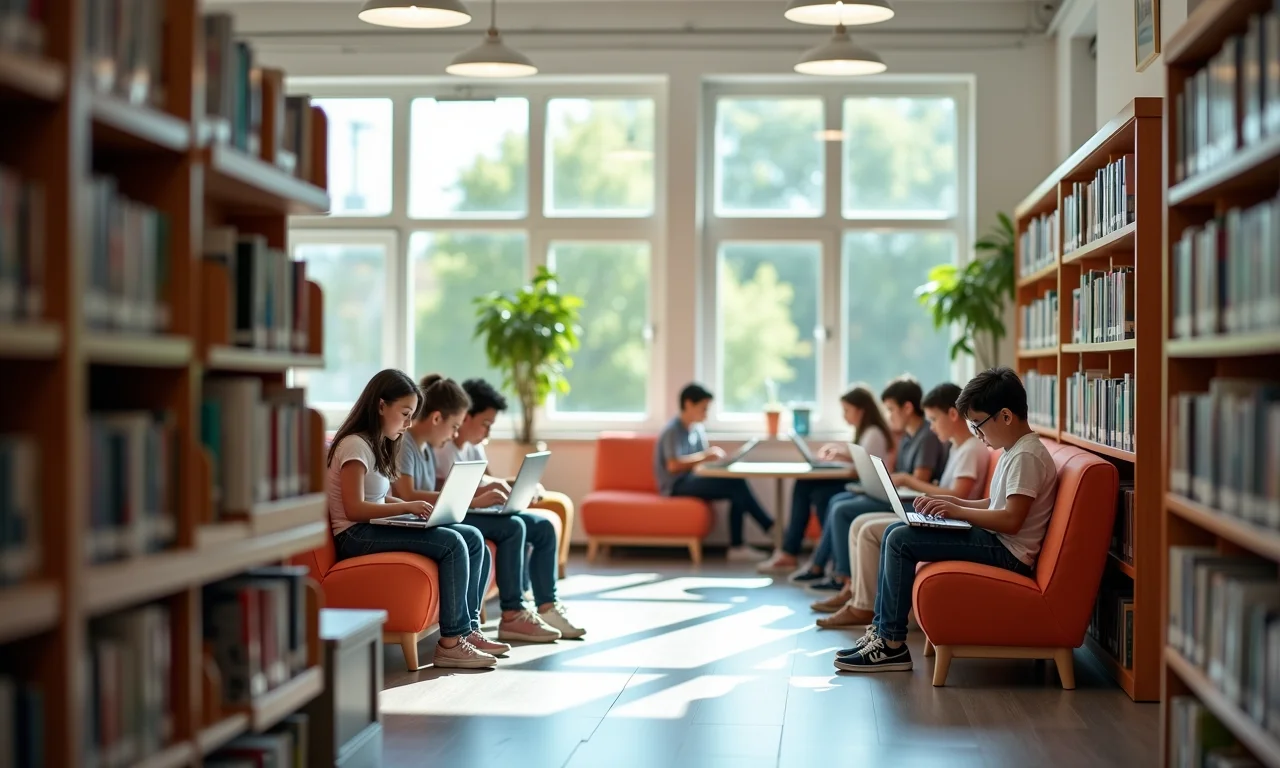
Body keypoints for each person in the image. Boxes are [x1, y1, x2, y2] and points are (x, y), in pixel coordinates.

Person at [834, 367, 1058, 673]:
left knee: (900, 540)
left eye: (978, 425)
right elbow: (996, 503)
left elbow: (1011, 520)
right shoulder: (1013, 449)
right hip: (996, 541)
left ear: (1005, 416)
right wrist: (954, 503)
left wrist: (959, 512)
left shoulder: (1026, 456)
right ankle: (882, 631)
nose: (977, 435)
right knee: (895, 530)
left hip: (1008, 552)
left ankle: (891, 644)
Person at [326, 369, 497, 669]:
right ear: (381, 406)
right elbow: (354, 509)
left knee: (471, 536)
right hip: (355, 535)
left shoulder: (376, 442)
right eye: (405, 414)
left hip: (370, 527)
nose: (408, 423)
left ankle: (469, 629)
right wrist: (405, 507)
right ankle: (451, 644)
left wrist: (411, 508)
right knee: (453, 543)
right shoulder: (354, 445)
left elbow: (378, 498)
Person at [414, 374, 585, 642]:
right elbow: (449, 493)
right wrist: (484, 495)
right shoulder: (440, 448)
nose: (488, 433)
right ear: (465, 417)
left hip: (476, 509)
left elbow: (487, 480)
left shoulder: (472, 447)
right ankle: (514, 613)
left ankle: (547, 605)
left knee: (542, 527)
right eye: (485, 424)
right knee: (513, 527)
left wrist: (517, 486)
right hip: (461, 512)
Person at [813, 381, 991, 627]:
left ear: (952, 414)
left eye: (933, 419)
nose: (931, 426)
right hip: (942, 514)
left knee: (865, 527)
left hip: (952, 521)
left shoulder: (971, 449)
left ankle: (865, 606)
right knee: (859, 523)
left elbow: (958, 495)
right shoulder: (957, 447)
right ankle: (859, 598)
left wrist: (910, 483)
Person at [800, 375, 949, 595]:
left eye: (891, 409)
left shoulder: (926, 436)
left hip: (910, 502)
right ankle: (830, 570)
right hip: (901, 495)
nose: (888, 416)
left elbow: (920, 480)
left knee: (841, 508)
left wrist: (899, 479)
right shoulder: (909, 436)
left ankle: (842, 576)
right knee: (838, 500)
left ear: (907, 408)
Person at [757, 384, 894, 575]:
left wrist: (842, 459)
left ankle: (809, 558)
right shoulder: (866, 432)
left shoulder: (873, 433)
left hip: (864, 488)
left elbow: (865, 471)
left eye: (847, 410)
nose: (844, 416)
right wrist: (841, 455)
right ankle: (814, 558)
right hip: (859, 485)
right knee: (807, 486)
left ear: (861, 410)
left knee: (822, 496)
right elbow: (863, 461)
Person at [655, 383, 774, 562]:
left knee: (736, 484)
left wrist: (718, 463)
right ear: (688, 404)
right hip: (675, 485)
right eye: (703, 408)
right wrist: (705, 456)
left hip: (694, 478)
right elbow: (673, 465)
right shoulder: (672, 430)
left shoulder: (697, 429)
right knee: (736, 485)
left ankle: (745, 541)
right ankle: (767, 529)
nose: (706, 413)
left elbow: (702, 464)